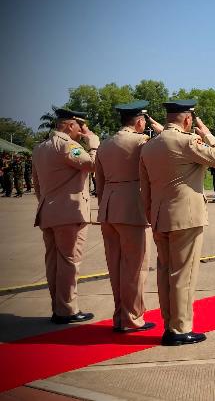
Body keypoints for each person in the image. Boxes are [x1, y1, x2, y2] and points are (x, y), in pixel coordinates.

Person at [139, 100, 215, 346]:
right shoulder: (187, 142)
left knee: (166, 274)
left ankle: (169, 325)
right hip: (186, 218)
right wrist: (207, 133)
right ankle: (180, 329)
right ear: (187, 120)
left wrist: (150, 213)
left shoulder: (149, 146)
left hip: (159, 216)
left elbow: (144, 187)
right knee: (183, 276)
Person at [96, 100, 163, 333]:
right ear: (139, 121)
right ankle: (133, 318)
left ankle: (119, 316)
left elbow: (100, 181)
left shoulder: (104, 144)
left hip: (108, 208)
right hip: (132, 208)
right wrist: (158, 127)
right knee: (135, 268)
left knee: (115, 267)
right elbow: (170, 142)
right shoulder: (142, 141)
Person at [32, 107, 99, 324]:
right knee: (70, 262)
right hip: (69, 214)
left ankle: (58, 307)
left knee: (53, 262)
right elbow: (93, 165)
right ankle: (67, 310)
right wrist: (94, 143)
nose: (82, 130)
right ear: (70, 125)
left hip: (48, 213)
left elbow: (37, 185)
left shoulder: (40, 148)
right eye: (80, 126)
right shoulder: (68, 146)